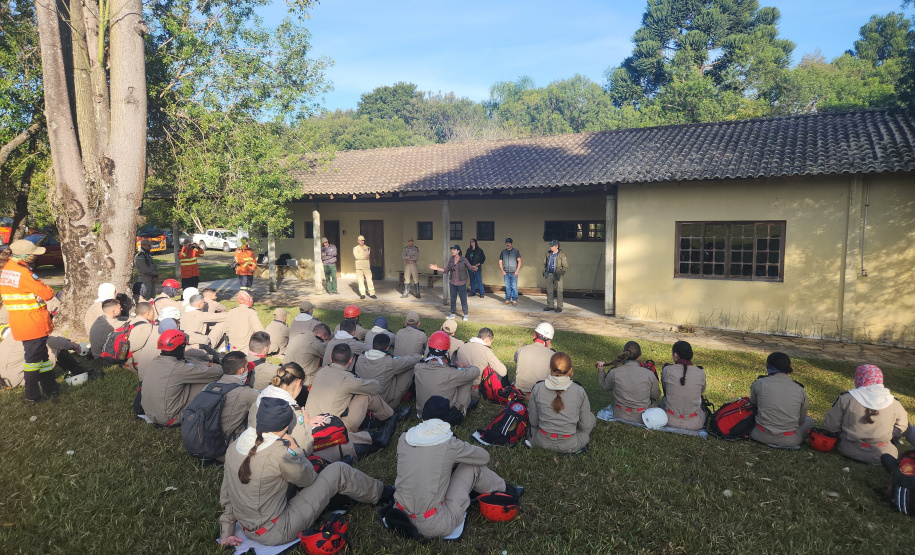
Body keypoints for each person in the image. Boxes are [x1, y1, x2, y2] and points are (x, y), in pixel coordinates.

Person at [218, 397, 394, 548]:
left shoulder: (235, 447)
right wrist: (296, 451)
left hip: (248, 528)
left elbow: (228, 493)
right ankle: (383, 494)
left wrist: (226, 531)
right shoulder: (279, 453)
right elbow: (308, 479)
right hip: (278, 530)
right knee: (338, 470)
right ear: (284, 426)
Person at [393, 395, 522, 539]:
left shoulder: (404, 437)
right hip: (433, 524)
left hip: (400, 514)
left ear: (423, 418)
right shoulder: (450, 444)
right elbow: (484, 457)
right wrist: (458, 446)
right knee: (473, 467)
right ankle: (506, 490)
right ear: (446, 421)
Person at [305, 343, 406, 458]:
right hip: (335, 427)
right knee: (367, 396)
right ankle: (391, 416)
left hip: (311, 423)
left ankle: (386, 417)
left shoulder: (321, 372)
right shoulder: (348, 379)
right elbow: (375, 387)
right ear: (351, 361)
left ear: (330, 358)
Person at [248, 362, 355, 462]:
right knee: (342, 447)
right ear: (299, 382)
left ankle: (367, 438)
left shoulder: (260, 399)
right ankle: (365, 441)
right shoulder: (291, 410)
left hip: (255, 451)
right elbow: (305, 449)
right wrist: (306, 423)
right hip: (280, 460)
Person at [0, 241, 59, 402]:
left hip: (21, 321)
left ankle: (51, 387)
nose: (35, 256)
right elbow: (47, 294)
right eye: (33, 253)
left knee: (42, 356)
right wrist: (42, 291)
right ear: (25, 255)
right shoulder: (24, 273)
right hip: (33, 322)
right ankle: (32, 396)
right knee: (33, 360)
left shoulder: (8, 270)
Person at [824, 364, 909, 464]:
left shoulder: (847, 398)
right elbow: (902, 427)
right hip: (884, 453)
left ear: (859, 378)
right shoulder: (894, 403)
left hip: (849, 449)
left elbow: (830, 425)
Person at [140, 329, 224, 426]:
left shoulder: (155, 361)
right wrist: (213, 365)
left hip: (151, 413)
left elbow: (187, 363)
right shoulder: (179, 369)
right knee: (211, 384)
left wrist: (204, 364)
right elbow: (218, 373)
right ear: (180, 348)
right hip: (169, 419)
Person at [528, 352, 595, 454]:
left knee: (532, 427)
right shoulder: (579, 390)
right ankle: (576, 446)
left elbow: (533, 422)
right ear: (570, 370)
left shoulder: (537, 388)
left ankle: (532, 441)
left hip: (541, 441)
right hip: (569, 444)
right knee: (591, 419)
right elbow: (584, 426)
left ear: (550, 368)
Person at [749, 352, 815, 448]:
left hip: (760, 435)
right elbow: (801, 421)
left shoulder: (759, 383)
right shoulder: (799, 389)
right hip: (789, 440)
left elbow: (753, 404)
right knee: (810, 421)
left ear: (768, 365)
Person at [415, 332, 480, 420]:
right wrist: (465, 366)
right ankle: (461, 410)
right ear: (447, 350)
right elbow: (476, 371)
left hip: (422, 413)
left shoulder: (418, 367)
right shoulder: (452, 372)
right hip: (443, 417)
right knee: (467, 379)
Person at [595, 341, 660, 424]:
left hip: (619, 414)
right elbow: (656, 395)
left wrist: (601, 370)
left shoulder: (614, 372)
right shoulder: (649, 374)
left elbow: (605, 386)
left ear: (623, 353)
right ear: (640, 356)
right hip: (643, 416)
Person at [206, 351, 259, 450]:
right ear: (242, 370)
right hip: (224, 447)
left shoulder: (209, 386)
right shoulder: (247, 393)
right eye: (247, 367)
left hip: (203, 440)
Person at [355, 333, 421, 408]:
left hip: (361, 398)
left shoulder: (361, 357)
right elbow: (410, 361)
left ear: (373, 345)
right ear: (387, 348)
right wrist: (420, 356)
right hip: (383, 403)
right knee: (410, 368)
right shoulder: (390, 362)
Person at [658, 341, 707, 431]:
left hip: (669, 420)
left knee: (663, 401)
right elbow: (701, 391)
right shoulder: (700, 373)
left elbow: (666, 389)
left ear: (675, 355)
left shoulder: (667, 370)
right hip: (694, 423)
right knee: (701, 408)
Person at [429, 245, 477, 321]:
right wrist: (436, 268)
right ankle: (453, 313)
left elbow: (470, 267)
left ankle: (465, 314)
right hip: (453, 282)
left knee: (463, 299)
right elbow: (446, 270)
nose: (452, 251)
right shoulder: (451, 259)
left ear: (458, 251)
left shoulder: (463, 259)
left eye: (454, 250)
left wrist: (474, 268)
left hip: (461, 282)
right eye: (452, 250)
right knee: (453, 299)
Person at [454, 327, 507, 396]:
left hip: (460, 387)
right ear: (488, 339)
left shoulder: (462, 347)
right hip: (477, 390)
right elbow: (503, 371)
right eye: (491, 342)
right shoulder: (486, 351)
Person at [513, 323, 555, 396]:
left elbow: (516, 359)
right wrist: (550, 348)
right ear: (548, 340)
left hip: (520, 390)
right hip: (541, 392)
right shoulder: (553, 355)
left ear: (535, 335)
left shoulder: (521, 350)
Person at [283, 323, 330, 387]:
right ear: (322, 335)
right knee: (328, 371)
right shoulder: (315, 343)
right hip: (302, 378)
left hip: (286, 371)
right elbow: (328, 355)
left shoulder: (297, 336)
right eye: (325, 339)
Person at [126, 302, 159, 374]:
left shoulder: (130, 322)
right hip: (136, 363)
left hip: (125, 358)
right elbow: (134, 346)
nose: (154, 314)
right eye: (153, 312)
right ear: (148, 313)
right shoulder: (147, 327)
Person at [542, 239, 569, 313]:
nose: (551, 247)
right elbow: (545, 264)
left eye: (552, 246)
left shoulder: (561, 254)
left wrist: (561, 273)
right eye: (550, 245)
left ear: (556, 246)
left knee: (559, 291)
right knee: (549, 290)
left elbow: (565, 266)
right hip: (549, 274)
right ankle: (550, 305)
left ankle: (559, 306)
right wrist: (545, 272)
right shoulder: (548, 253)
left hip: (557, 275)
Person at [498, 238, 521, 305]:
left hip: (514, 272)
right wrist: (502, 270)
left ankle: (514, 300)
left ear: (511, 244)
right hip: (506, 272)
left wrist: (517, 271)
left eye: (509, 243)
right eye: (506, 243)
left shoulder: (516, 252)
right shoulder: (503, 252)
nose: (507, 244)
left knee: (514, 286)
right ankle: (508, 299)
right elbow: (500, 261)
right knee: (507, 286)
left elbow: (519, 261)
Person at [353, 235, 376, 299]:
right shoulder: (355, 248)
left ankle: (372, 293)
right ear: (358, 241)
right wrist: (363, 257)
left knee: (369, 280)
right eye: (361, 240)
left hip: (366, 267)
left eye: (363, 240)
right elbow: (356, 256)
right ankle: (362, 294)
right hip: (359, 267)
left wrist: (361, 256)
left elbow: (367, 255)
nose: (362, 242)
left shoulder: (367, 248)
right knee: (360, 280)